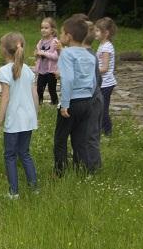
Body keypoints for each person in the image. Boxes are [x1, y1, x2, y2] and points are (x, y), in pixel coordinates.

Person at [0, 33, 38, 200]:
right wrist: (35, 116)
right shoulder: (29, 70)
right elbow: (35, 96)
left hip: (14, 121)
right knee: (25, 153)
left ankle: (14, 192)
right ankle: (34, 188)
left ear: (4, 50)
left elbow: (5, 98)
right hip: (28, 119)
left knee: (10, 155)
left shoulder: (4, 71)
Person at [53, 15, 97, 176]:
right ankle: (85, 171)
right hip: (86, 101)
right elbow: (93, 80)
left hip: (71, 102)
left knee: (60, 139)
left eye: (62, 33)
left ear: (68, 36)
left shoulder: (67, 54)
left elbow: (68, 79)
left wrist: (65, 104)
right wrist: (88, 97)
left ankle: (60, 172)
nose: (60, 37)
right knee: (80, 140)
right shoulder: (89, 55)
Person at [82, 22, 103, 172]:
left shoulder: (87, 56)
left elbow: (94, 81)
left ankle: (93, 168)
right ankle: (86, 163)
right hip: (95, 98)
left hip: (92, 100)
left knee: (91, 135)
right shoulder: (91, 54)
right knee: (88, 134)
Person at [95, 17, 118, 137]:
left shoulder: (106, 47)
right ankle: (101, 129)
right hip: (102, 83)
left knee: (103, 109)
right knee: (99, 108)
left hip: (106, 84)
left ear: (106, 33)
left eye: (98, 31)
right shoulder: (102, 45)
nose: (95, 33)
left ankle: (107, 131)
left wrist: (91, 70)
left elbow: (104, 68)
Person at [34, 17, 59, 105]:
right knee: (39, 88)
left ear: (52, 30)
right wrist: (37, 54)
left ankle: (55, 102)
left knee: (52, 88)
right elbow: (37, 52)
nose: (43, 30)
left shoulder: (55, 42)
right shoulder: (40, 42)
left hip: (51, 71)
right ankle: (39, 103)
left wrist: (44, 53)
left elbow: (56, 56)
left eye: (46, 28)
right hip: (42, 70)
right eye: (42, 28)